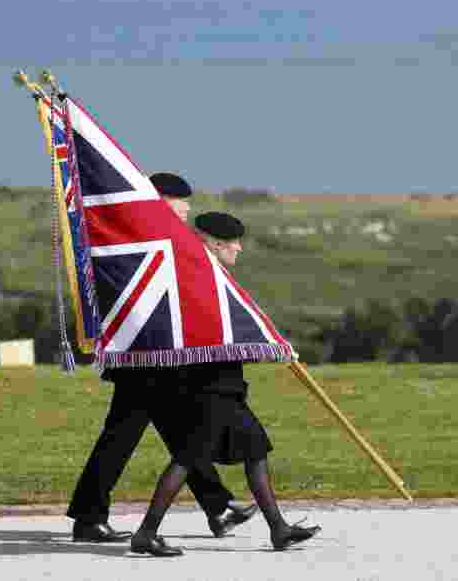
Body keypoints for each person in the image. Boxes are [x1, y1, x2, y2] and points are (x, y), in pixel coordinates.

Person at [66, 173, 257, 543]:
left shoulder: (156, 234)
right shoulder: (148, 235)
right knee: (125, 437)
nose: (186, 208)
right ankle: (90, 517)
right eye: (180, 201)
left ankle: (217, 506)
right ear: (160, 199)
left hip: (153, 357)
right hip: (145, 358)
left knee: (175, 433)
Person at [129, 211, 321, 556]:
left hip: (226, 385)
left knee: (255, 448)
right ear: (216, 244)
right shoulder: (203, 277)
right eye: (234, 242)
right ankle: (146, 532)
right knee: (188, 457)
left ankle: (278, 528)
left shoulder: (213, 277)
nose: (240, 248)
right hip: (208, 385)